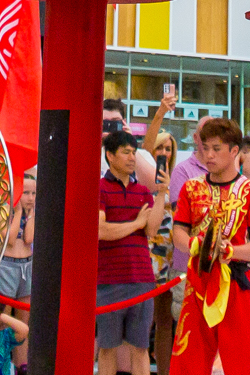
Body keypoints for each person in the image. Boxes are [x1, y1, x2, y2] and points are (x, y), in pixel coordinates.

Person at [170, 117, 250, 375]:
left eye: (217, 148)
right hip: (197, 281)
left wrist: (232, 252)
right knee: (188, 360)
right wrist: (195, 245)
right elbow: (178, 232)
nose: (209, 155)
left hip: (235, 283)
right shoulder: (191, 189)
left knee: (243, 362)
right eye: (205, 148)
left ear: (234, 151)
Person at [98, 129, 162, 375]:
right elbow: (101, 230)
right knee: (107, 347)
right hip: (108, 281)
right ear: (110, 155)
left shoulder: (144, 192)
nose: (132, 158)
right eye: (126, 152)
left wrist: (163, 191)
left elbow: (152, 230)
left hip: (142, 279)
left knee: (140, 346)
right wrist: (135, 224)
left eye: (134, 153)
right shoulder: (100, 188)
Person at [0, 167, 35, 310]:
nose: (30, 198)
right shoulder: (1, 209)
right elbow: (10, 240)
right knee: (5, 315)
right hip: (7, 265)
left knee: (24, 316)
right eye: (26, 193)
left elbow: (28, 239)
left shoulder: (32, 211)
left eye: (34, 193)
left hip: (27, 264)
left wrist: (30, 214)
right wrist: (18, 211)